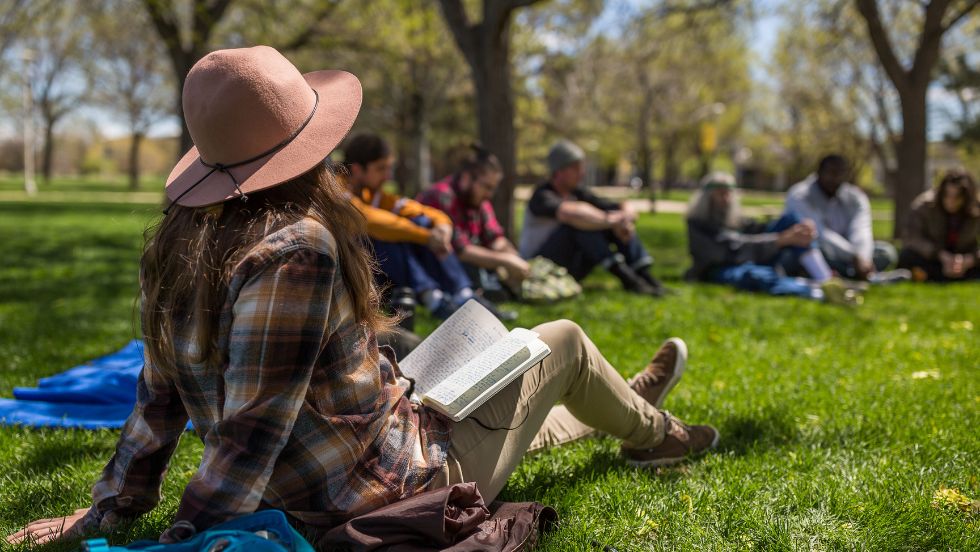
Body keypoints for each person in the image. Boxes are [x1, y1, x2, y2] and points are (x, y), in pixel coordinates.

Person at [6, 46, 718, 548]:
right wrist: (181, 535)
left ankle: (622, 399)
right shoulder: (295, 250)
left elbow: (156, 400)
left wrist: (110, 509)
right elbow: (255, 431)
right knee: (557, 337)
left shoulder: (175, 249)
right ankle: (660, 437)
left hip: (374, 433)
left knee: (495, 368)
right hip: (379, 488)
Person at [341, 133, 507, 320]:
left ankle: (461, 294)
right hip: (355, 275)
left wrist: (442, 225)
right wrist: (427, 236)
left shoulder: (370, 192)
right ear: (356, 169)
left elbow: (416, 209)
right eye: (381, 169)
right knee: (390, 233)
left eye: (388, 168)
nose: (387, 176)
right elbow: (371, 220)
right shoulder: (338, 191)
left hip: (381, 270)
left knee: (417, 222)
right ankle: (438, 298)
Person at [519, 140, 666, 296]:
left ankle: (644, 274)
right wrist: (612, 221)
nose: (581, 173)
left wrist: (624, 220)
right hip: (541, 268)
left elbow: (620, 206)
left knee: (600, 223)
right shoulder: (542, 195)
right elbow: (571, 213)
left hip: (571, 265)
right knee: (579, 226)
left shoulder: (578, 192)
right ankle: (628, 278)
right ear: (559, 171)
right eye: (575, 168)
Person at [686, 172, 858, 303]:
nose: (726, 199)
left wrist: (796, 230)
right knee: (755, 275)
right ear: (707, 197)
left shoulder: (734, 219)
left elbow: (755, 230)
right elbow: (728, 248)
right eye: (720, 193)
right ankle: (819, 293)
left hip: (755, 255)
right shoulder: (697, 223)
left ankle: (826, 279)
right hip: (720, 268)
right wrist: (780, 240)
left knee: (792, 220)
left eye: (728, 193)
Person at [417, 144, 529, 299]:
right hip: (437, 267)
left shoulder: (479, 201)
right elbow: (461, 250)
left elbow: (494, 237)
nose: (490, 194)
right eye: (487, 187)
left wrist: (512, 255)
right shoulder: (442, 196)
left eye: (493, 188)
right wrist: (506, 261)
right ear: (467, 177)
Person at [784, 155, 899, 281]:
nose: (835, 179)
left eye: (840, 174)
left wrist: (863, 257)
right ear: (819, 173)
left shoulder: (855, 197)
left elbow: (861, 231)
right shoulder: (800, 195)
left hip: (851, 253)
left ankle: (854, 271)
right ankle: (855, 273)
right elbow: (819, 233)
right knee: (804, 256)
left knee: (886, 252)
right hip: (818, 249)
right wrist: (853, 256)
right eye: (831, 173)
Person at [899, 169, 980, 281]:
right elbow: (912, 238)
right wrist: (940, 254)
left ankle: (938, 276)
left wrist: (970, 259)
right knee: (907, 256)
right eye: (947, 195)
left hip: (965, 258)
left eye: (957, 197)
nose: (951, 201)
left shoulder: (976, 207)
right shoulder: (925, 205)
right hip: (934, 257)